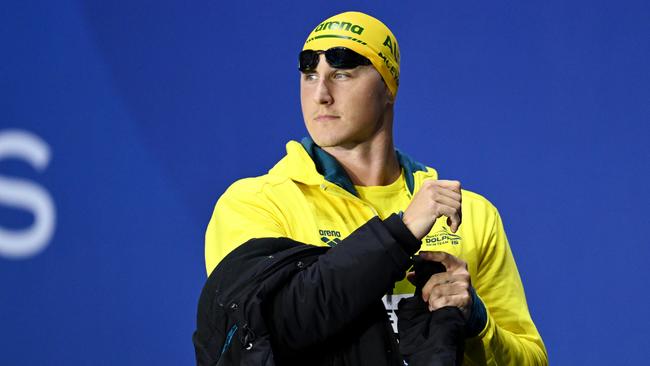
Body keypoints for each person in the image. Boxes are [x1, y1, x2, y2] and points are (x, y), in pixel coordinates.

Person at [197, 11, 547, 366]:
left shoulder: (470, 214)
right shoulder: (256, 204)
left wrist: (477, 321)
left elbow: (532, 359)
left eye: (342, 75)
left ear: (388, 87)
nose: (321, 94)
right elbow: (268, 329)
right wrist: (403, 232)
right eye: (309, 75)